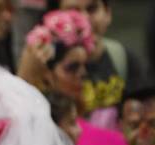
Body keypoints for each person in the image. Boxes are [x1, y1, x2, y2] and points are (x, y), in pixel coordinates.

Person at [20, 9, 131, 145]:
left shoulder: (100, 132)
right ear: (46, 74)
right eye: (72, 67)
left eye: (84, 66)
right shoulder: (30, 130)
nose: (82, 74)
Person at [51, 0, 145, 130]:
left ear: (108, 13)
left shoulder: (122, 58)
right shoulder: (46, 63)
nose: (84, 18)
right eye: (73, 11)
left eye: (92, 9)